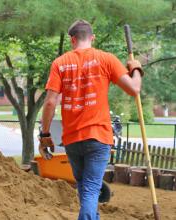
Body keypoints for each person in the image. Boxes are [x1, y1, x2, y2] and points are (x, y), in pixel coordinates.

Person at [39, 20, 143, 220]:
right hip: (98, 136)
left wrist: (45, 134)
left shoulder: (60, 63)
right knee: (90, 190)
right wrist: (136, 68)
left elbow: (50, 102)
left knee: (85, 188)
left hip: (72, 139)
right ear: (92, 38)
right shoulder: (106, 59)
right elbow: (134, 88)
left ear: (72, 40)